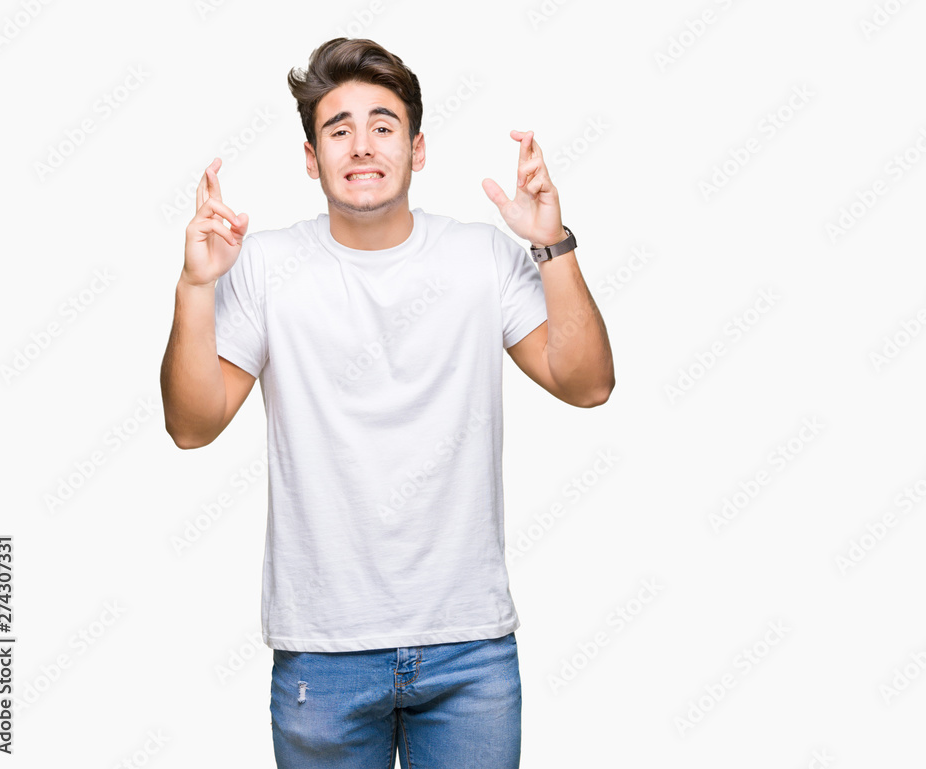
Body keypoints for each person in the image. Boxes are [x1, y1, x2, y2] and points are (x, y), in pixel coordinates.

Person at [159, 36, 614, 769]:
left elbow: (587, 382)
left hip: (468, 648)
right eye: (338, 129)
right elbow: (191, 425)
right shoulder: (267, 266)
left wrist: (551, 242)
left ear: (418, 148)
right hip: (324, 650)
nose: (361, 145)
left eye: (383, 125)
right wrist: (194, 288)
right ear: (312, 158)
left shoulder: (482, 257)